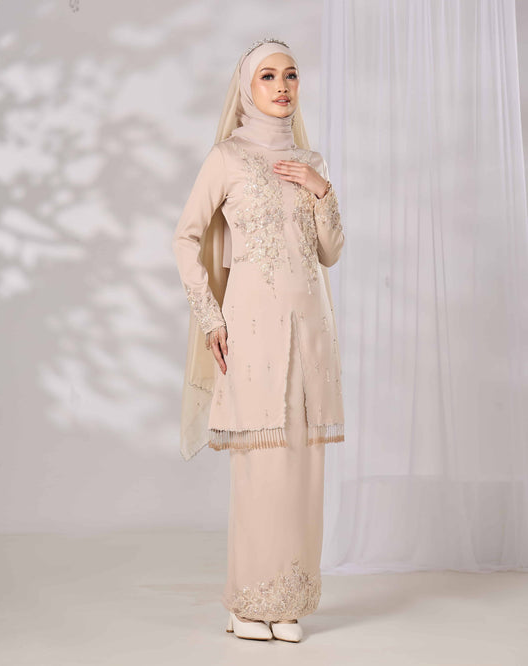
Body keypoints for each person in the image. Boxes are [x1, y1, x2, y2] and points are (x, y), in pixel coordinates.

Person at [172, 37, 345, 642]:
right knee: (260, 470)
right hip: (250, 331)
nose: (282, 86)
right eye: (268, 76)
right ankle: (248, 604)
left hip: (311, 332)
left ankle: (288, 603)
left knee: (303, 469)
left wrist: (321, 189)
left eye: (290, 75)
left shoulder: (311, 161)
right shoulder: (228, 157)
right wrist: (210, 316)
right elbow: (185, 238)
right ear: (247, 88)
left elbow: (330, 252)